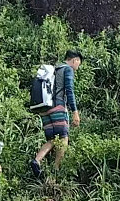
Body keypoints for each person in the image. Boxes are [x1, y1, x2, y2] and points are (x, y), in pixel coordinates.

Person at [31, 50, 82, 178]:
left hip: (44, 108)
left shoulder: (55, 69)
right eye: (78, 64)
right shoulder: (67, 70)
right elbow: (69, 91)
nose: (77, 68)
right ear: (75, 60)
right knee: (63, 137)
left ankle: (36, 160)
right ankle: (56, 169)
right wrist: (75, 112)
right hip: (57, 106)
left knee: (52, 139)